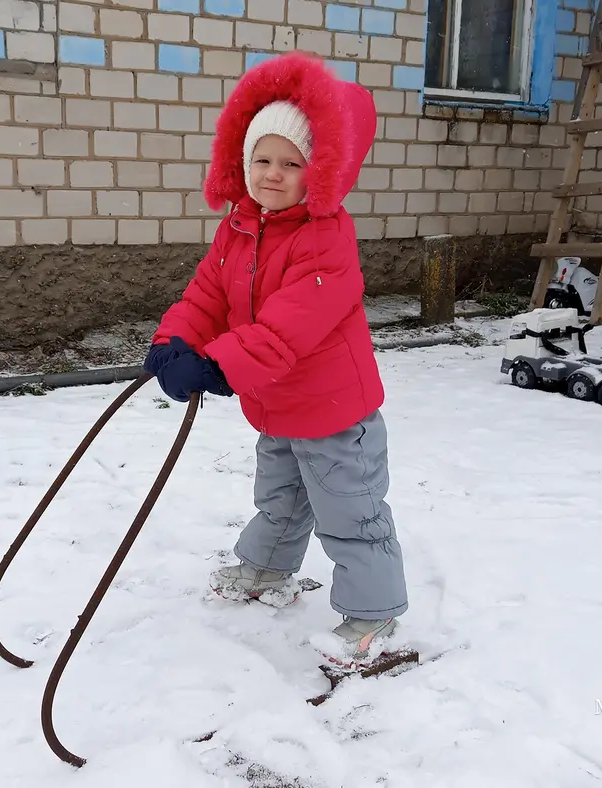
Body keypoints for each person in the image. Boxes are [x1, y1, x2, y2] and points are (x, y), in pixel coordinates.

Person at [142, 51, 408, 668]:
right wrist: (174, 341)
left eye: (291, 164)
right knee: (281, 495)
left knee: (350, 510)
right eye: (262, 159)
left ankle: (374, 610)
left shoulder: (326, 237)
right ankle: (265, 567)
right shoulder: (239, 227)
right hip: (278, 402)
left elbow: (293, 323)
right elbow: (208, 292)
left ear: (318, 173)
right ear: (242, 162)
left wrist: (220, 366)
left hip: (335, 408)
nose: (272, 173)